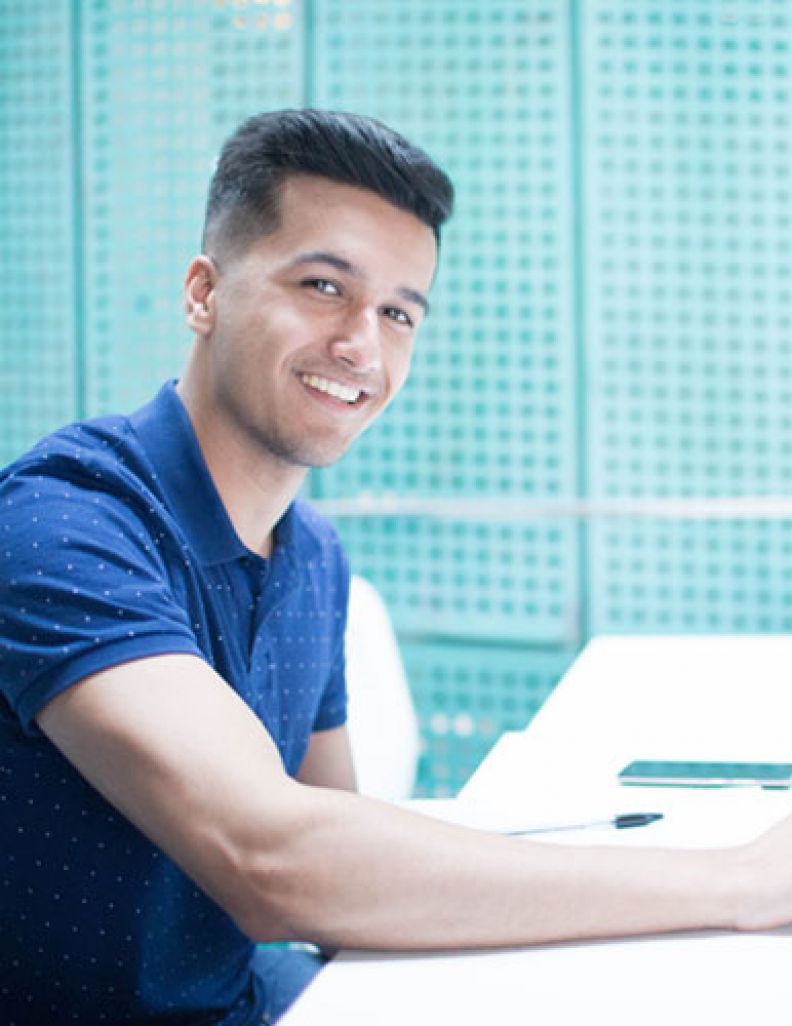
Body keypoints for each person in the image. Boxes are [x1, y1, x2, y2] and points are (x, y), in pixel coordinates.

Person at [2, 109, 792, 1026]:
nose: (361, 346)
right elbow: (279, 863)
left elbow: (345, 861)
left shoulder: (313, 557)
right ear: (203, 293)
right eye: (323, 285)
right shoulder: (59, 524)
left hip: (257, 1001)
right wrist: (735, 882)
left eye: (397, 312)